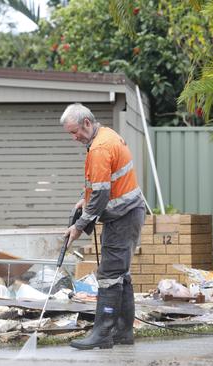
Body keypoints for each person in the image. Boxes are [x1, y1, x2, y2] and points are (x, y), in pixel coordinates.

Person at [60, 103, 145, 350]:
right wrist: (84, 200)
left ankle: (103, 334)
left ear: (87, 123)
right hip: (128, 212)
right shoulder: (106, 136)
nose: (74, 137)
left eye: (75, 132)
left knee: (108, 275)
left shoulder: (99, 147)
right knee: (120, 274)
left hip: (123, 216)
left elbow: (100, 194)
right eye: (70, 134)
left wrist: (79, 226)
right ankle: (123, 332)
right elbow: (102, 184)